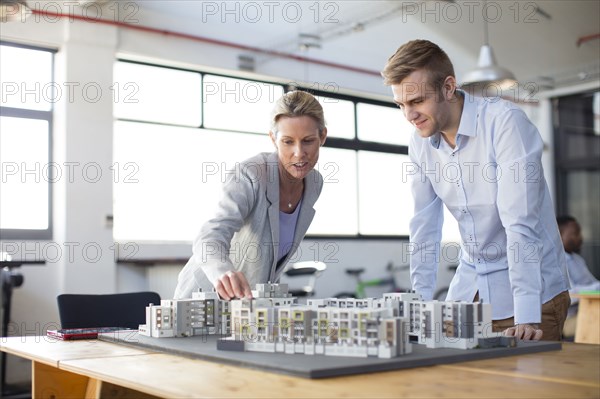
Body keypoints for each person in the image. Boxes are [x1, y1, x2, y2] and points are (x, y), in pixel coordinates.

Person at [381, 40, 570, 341]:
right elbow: (424, 227)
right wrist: (418, 304)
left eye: (416, 101)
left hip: (532, 294)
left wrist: (527, 316)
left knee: (528, 387)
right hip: (470, 293)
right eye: (401, 104)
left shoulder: (505, 123)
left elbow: (519, 222)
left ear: (448, 87)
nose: (408, 115)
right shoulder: (419, 143)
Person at [174, 91, 327, 300]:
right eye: (288, 142)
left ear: (323, 137)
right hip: (204, 298)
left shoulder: (314, 184)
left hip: (250, 306)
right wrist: (223, 273)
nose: (299, 152)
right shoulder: (251, 174)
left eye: (308, 141)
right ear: (273, 139)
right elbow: (209, 236)